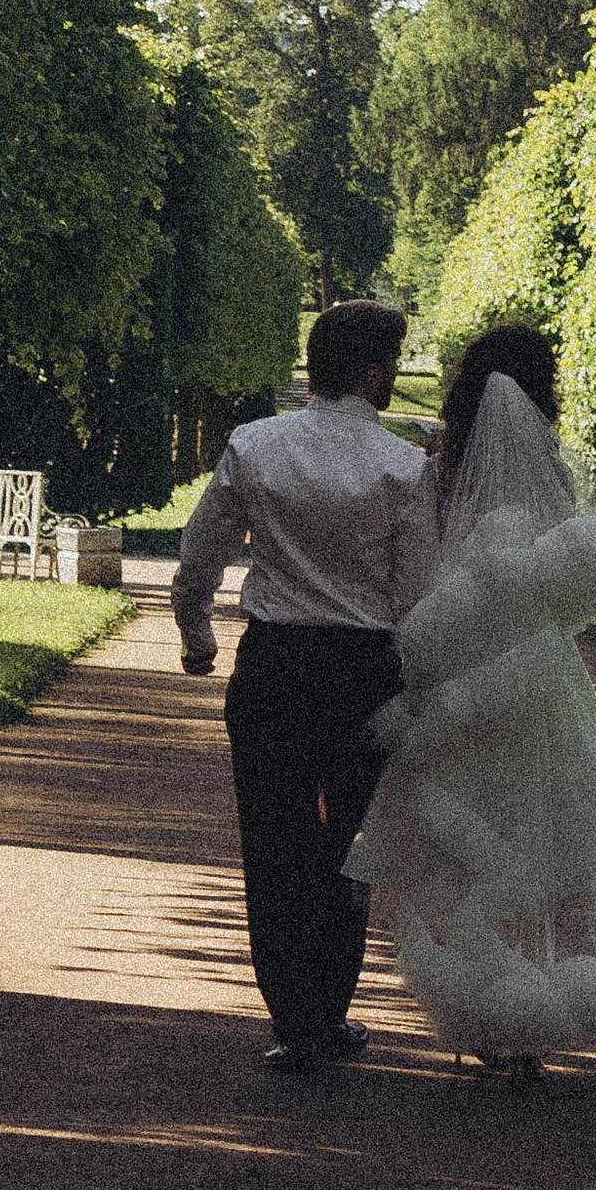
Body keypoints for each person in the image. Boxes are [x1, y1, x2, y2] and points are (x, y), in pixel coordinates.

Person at [348, 322, 596, 1077]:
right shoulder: (546, 474)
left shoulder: (436, 470)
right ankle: (529, 1011)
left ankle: (487, 1005)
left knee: (466, 846)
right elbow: (560, 587)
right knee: (537, 829)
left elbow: (430, 576)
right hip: (533, 677)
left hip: (453, 676)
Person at [174, 298, 438, 1073]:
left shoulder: (254, 445)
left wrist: (197, 635)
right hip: (363, 672)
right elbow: (417, 595)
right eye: (392, 363)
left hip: (276, 664)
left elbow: (202, 553)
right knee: (346, 842)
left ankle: (294, 1014)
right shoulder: (403, 467)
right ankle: (329, 1005)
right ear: (373, 372)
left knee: (272, 841)